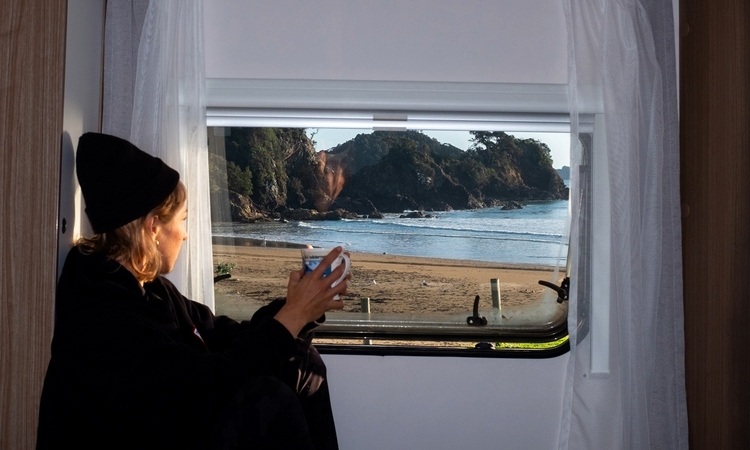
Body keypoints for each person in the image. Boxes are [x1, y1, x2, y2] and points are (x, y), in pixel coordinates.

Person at [37, 132, 348, 449]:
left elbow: (229, 337)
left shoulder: (154, 291)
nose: (185, 235)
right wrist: (291, 317)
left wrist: (297, 308)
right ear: (153, 226)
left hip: (177, 427)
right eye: (183, 220)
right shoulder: (101, 315)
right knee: (269, 398)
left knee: (303, 363)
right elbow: (202, 390)